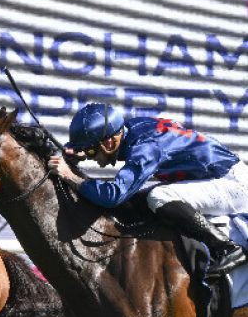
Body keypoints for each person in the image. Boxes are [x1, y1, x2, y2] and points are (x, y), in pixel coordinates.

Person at [48, 102, 248, 276]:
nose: (90, 157)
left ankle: (226, 248)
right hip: (218, 175)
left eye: (91, 151)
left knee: (159, 196)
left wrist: (70, 176)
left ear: (109, 143)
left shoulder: (145, 148)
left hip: (234, 185)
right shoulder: (132, 128)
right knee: (141, 197)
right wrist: (79, 151)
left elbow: (113, 195)